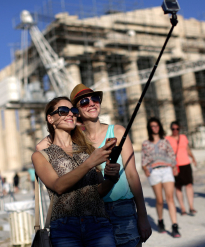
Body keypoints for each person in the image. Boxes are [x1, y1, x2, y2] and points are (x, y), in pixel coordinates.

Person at [38, 84, 152, 246]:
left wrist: (142, 215)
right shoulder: (76, 141)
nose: (91, 103)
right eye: (84, 101)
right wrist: (68, 122)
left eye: (95, 99)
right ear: (75, 111)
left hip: (121, 207)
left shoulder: (118, 132)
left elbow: (133, 175)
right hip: (92, 213)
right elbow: (41, 147)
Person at [31, 96, 121, 247]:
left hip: (98, 223)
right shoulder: (41, 156)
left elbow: (98, 191)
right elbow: (58, 186)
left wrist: (112, 179)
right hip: (65, 227)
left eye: (72, 110)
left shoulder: (87, 150)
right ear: (50, 119)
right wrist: (90, 162)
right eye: (63, 111)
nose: (71, 114)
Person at [142, 117, 180, 238]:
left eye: (157, 125)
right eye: (153, 126)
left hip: (167, 170)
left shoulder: (165, 141)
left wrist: (174, 167)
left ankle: (175, 226)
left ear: (160, 127)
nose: (155, 128)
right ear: (149, 128)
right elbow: (144, 159)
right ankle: (160, 220)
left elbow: (171, 155)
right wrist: (145, 170)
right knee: (159, 200)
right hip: (154, 172)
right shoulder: (145, 143)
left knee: (170, 198)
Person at [166, 121, 197, 216]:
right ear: (171, 129)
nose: (175, 130)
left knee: (189, 185)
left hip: (186, 164)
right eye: (173, 129)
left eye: (177, 129)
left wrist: (193, 157)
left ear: (179, 129)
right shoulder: (167, 139)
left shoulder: (183, 137)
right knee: (178, 187)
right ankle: (183, 208)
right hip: (175, 166)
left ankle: (191, 206)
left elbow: (187, 149)